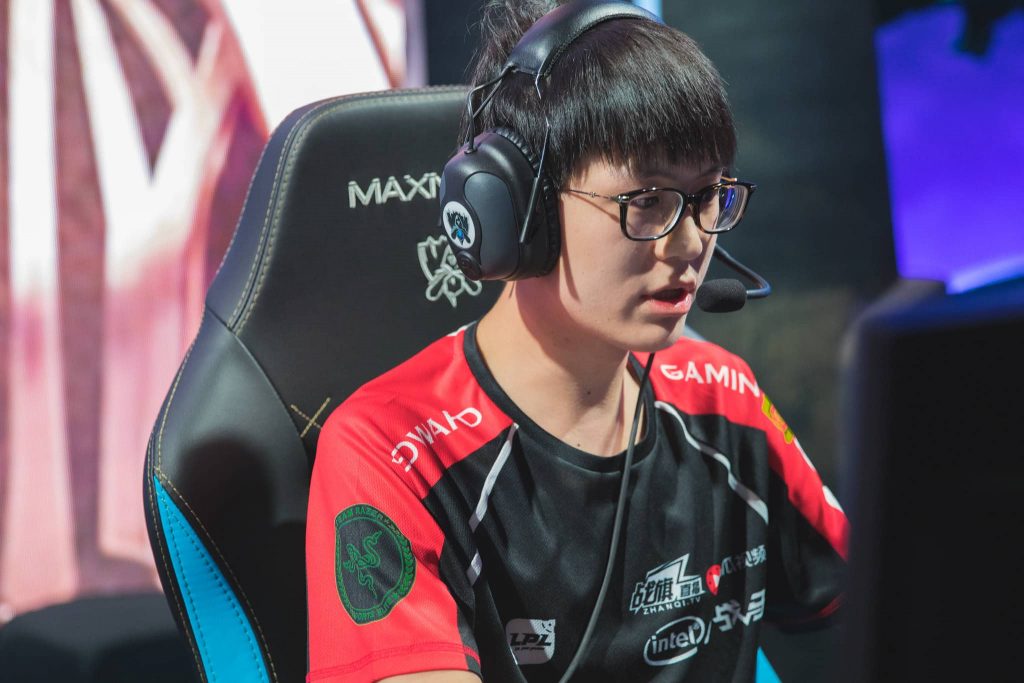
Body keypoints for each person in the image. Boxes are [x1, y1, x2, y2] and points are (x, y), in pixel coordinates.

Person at [306, 2, 848, 681]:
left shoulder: (721, 394)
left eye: (708, 195)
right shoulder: (391, 452)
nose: (690, 244)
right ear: (517, 212)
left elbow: (897, 602)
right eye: (646, 201)